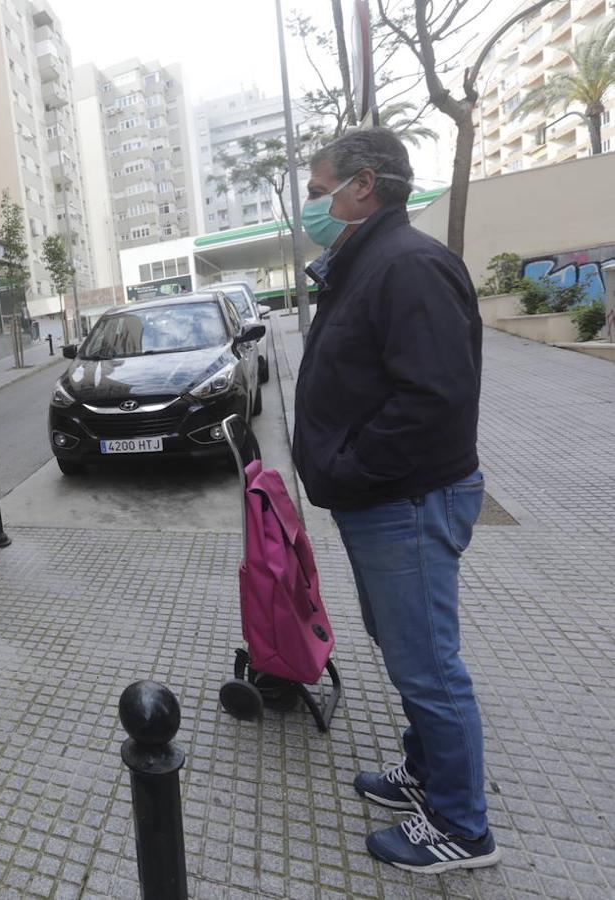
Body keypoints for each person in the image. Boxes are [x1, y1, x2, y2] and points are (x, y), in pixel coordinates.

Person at [292, 128, 495, 873]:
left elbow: (434, 397)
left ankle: (462, 826)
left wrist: (348, 465)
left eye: (319, 191)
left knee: (428, 667)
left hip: (404, 501)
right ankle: (426, 772)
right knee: (404, 652)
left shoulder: (407, 264)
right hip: (380, 500)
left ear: (363, 186)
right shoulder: (366, 261)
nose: (311, 206)